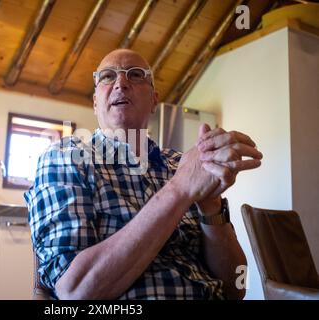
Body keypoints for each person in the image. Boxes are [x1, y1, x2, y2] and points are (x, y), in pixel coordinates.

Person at [25, 49, 263, 300]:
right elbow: (75, 291)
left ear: (153, 100)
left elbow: (235, 288)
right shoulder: (65, 157)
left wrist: (210, 204)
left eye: (136, 75)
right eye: (107, 76)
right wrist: (180, 189)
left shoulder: (183, 165)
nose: (121, 83)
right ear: (95, 103)